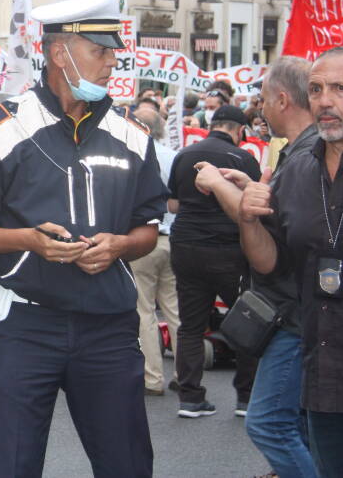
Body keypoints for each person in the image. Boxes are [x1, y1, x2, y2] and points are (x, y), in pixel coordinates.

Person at [0, 0, 166, 478]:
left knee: (127, 465)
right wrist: (29, 240)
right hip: (25, 327)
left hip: (108, 326)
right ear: (59, 52)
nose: (112, 64)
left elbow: (148, 228)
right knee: (11, 466)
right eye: (100, 52)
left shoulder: (134, 133)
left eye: (113, 53)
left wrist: (122, 246)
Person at [229, 47, 343, 477]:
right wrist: (249, 219)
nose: (325, 100)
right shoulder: (298, 169)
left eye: (340, 89)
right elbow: (271, 264)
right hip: (324, 378)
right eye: (317, 89)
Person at [194, 56, 318, 478]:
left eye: (264, 99)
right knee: (299, 425)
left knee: (269, 424)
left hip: (293, 312)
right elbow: (275, 215)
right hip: (299, 310)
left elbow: (268, 243)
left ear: (283, 99)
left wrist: (218, 185)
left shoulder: (306, 157)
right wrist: (251, 189)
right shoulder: (302, 154)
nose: (260, 109)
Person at [167, 104, 259, 418]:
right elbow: (254, 204)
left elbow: (173, 203)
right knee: (248, 321)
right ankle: (246, 398)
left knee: (190, 326)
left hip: (187, 246)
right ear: (239, 130)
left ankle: (190, 398)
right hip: (230, 249)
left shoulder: (184, 155)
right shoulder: (244, 159)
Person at [129, 108, 181, 397]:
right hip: (172, 239)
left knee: (145, 311)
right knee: (174, 309)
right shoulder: (173, 155)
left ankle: (152, 377)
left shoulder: (134, 153)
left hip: (145, 240)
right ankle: (187, 374)